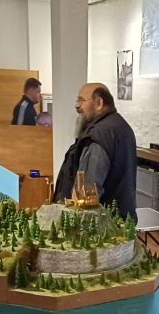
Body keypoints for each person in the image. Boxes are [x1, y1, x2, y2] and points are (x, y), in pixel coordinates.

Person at [52, 82, 138, 220]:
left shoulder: (99, 136)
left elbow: (87, 191)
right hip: (120, 221)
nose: (77, 106)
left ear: (99, 103)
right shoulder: (121, 126)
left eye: (82, 100)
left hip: (101, 226)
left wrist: (76, 223)